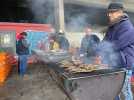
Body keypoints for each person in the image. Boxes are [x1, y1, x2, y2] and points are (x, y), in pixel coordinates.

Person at [104, 2, 134, 100]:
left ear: (120, 12)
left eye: (112, 12)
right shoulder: (111, 27)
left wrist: (103, 49)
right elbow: (104, 42)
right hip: (113, 63)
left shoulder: (127, 27)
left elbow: (118, 45)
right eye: (108, 12)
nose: (109, 14)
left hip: (124, 64)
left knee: (124, 90)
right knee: (113, 89)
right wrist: (94, 49)